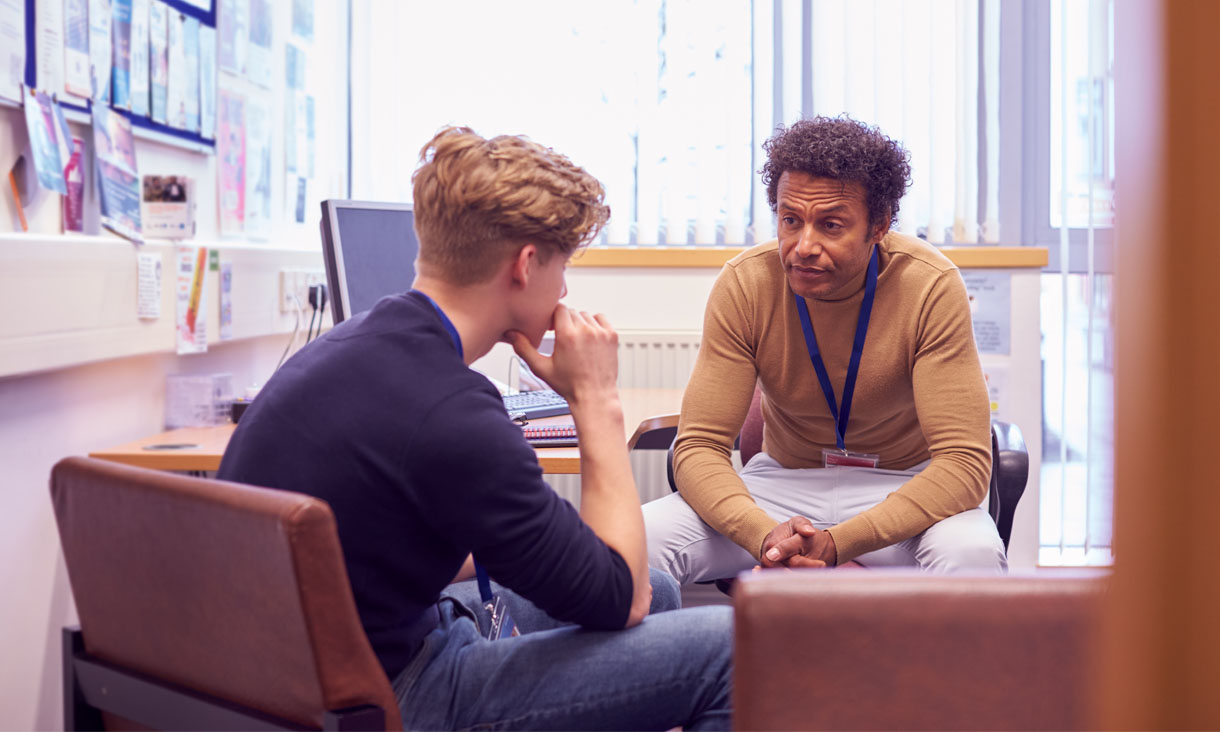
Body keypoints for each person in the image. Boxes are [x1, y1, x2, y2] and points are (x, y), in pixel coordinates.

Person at [217, 126, 732, 730]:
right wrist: (595, 397)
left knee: (663, 590)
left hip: (289, 678)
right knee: (731, 645)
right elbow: (621, 600)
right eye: (563, 266)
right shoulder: (453, 413)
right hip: (390, 698)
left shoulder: (353, 347)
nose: (564, 290)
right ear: (527, 264)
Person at [644, 116, 1006, 584]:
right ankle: (677, 660)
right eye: (790, 220)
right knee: (635, 544)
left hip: (903, 487)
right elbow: (698, 447)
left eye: (830, 225)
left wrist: (839, 543)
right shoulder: (746, 283)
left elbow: (964, 462)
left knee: (972, 556)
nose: (803, 246)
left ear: (879, 226)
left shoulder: (930, 286)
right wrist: (765, 534)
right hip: (780, 487)